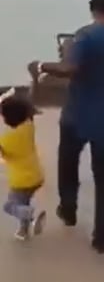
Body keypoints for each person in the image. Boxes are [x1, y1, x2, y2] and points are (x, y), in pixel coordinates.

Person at [29, 0, 104, 254]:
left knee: (68, 162)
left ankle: (69, 208)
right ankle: (102, 238)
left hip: (78, 114)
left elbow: (70, 68)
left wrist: (41, 66)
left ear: (91, 7)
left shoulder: (85, 35)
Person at [0, 86, 46, 241]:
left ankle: (31, 215)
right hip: (36, 177)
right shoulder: (28, 127)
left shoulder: (6, 140)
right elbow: (28, 111)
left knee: (10, 206)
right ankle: (23, 231)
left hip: (20, 182)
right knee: (22, 203)